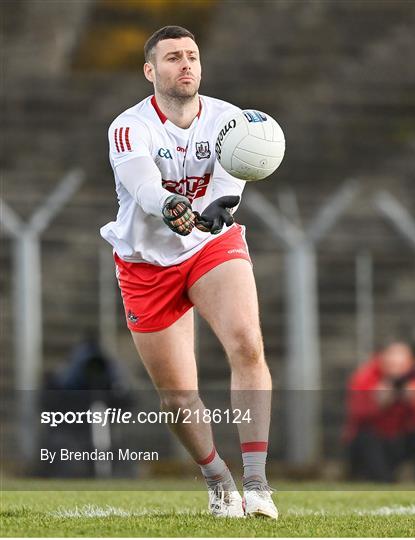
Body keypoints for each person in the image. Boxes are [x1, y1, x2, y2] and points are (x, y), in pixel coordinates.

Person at [100, 25, 277, 518]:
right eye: (173, 56)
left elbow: (233, 175)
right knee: (178, 396)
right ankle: (218, 478)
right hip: (145, 264)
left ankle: (258, 482)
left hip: (209, 246)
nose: (185, 64)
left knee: (247, 342)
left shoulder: (230, 119)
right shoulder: (128, 126)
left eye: (192, 56)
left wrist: (225, 203)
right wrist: (170, 204)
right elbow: (141, 183)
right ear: (149, 70)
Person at [344, 342, 415, 483]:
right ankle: (380, 479)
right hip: (374, 442)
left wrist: (412, 400)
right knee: (366, 437)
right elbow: (357, 416)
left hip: (401, 441)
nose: (396, 363)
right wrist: (378, 402)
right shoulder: (365, 377)